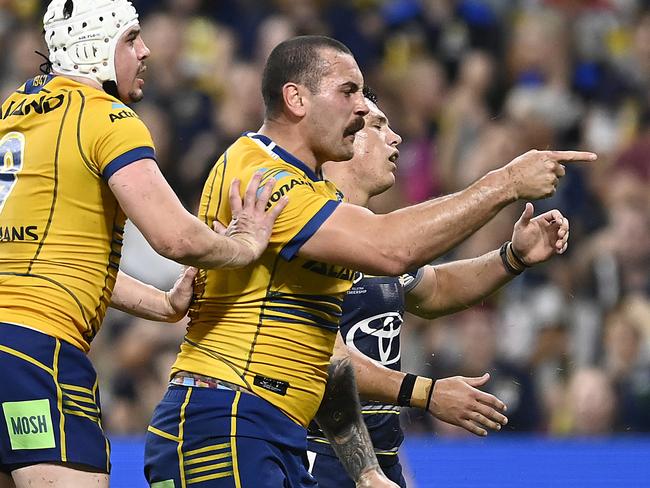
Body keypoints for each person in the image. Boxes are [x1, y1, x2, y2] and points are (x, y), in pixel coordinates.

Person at [144, 35, 595, 488]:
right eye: (349, 91)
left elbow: (330, 359)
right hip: (226, 416)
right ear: (296, 98)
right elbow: (393, 249)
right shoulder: (260, 172)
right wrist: (506, 181)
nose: (362, 109)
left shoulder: (320, 204)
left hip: (272, 429)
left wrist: (366, 470)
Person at [0, 1, 285, 487]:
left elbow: (61, 261)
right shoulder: (107, 117)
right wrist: (246, 244)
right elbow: (174, 236)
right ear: (95, 48)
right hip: (37, 352)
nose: (146, 50)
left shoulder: (12, 114)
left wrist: (165, 303)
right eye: (131, 39)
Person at [306, 87, 571, 487]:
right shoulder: (309, 229)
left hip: (379, 459)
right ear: (343, 137)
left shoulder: (371, 239)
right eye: (378, 126)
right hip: (309, 455)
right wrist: (426, 393)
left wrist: (511, 257)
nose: (395, 138)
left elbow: (436, 289)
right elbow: (326, 358)